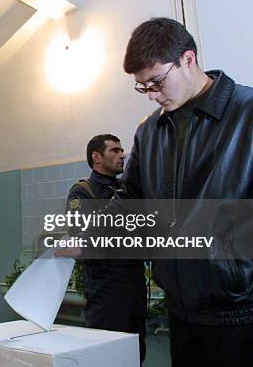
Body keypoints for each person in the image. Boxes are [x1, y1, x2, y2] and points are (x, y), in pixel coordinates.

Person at [119, 17, 253, 366]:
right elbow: (130, 202)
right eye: (142, 87)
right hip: (182, 314)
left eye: (157, 82)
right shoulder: (149, 134)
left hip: (247, 318)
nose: (152, 95)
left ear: (188, 59)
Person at [65, 134, 147, 363]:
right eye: (115, 151)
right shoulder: (83, 192)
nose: (122, 155)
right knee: (106, 350)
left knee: (136, 349)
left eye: (122, 151)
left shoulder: (127, 189)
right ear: (97, 157)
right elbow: (84, 240)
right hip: (106, 283)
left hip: (134, 279)